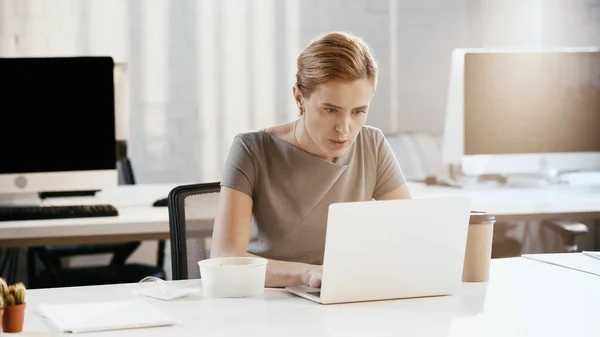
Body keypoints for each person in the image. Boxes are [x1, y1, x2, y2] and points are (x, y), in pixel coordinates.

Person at [210, 31, 411, 288]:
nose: (345, 129)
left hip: (346, 298)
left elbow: (408, 236)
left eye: (359, 112)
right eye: (330, 110)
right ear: (299, 98)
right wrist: (309, 275)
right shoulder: (252, 150)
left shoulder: (372, 144)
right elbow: (226, 258)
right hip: (269, 303)